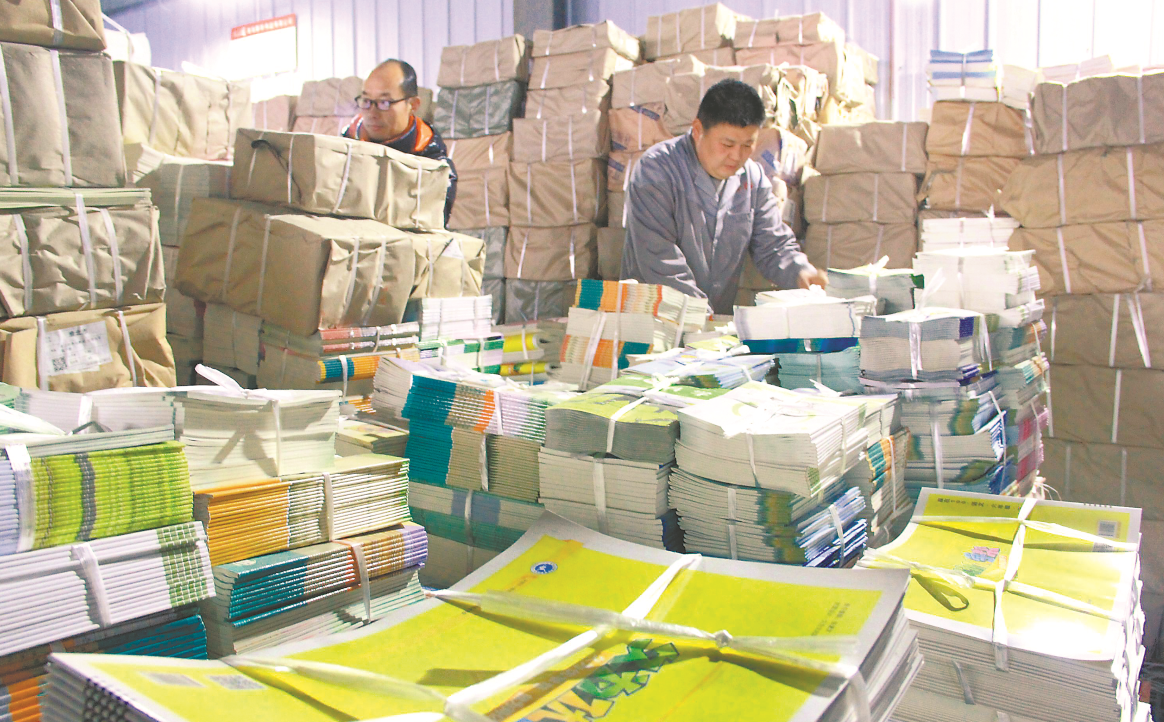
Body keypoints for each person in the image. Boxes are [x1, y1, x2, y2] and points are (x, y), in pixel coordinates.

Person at [621, 79, 827, 314]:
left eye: (748, 145)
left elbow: (773, 245)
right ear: (698, 130)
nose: (736, 156)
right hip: (654, 319)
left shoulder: (752, 178)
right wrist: (701, 316)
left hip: (710, 324)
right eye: (727, 144)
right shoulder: (656, 171)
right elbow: (660, 261)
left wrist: (800, 272)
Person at [342, 59, 457, 222]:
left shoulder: (434, 166)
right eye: (366, 101)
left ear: (413, 104)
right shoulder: (344, 147)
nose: (372, 113)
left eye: (384, 103)